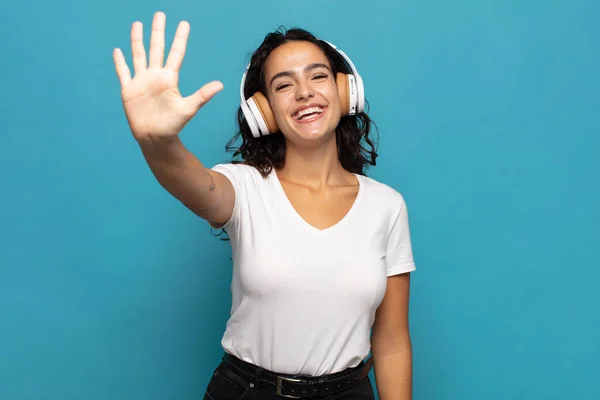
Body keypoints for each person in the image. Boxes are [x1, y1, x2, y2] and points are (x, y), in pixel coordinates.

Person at [113, 10, 416, 400]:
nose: (304, 91)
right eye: (283, 84)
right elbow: (192, 183)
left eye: (318, 75)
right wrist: (158, 141)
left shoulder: (386, 207)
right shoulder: (245, 187)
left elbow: (391, 343)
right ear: (265, 111)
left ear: (346, 91)